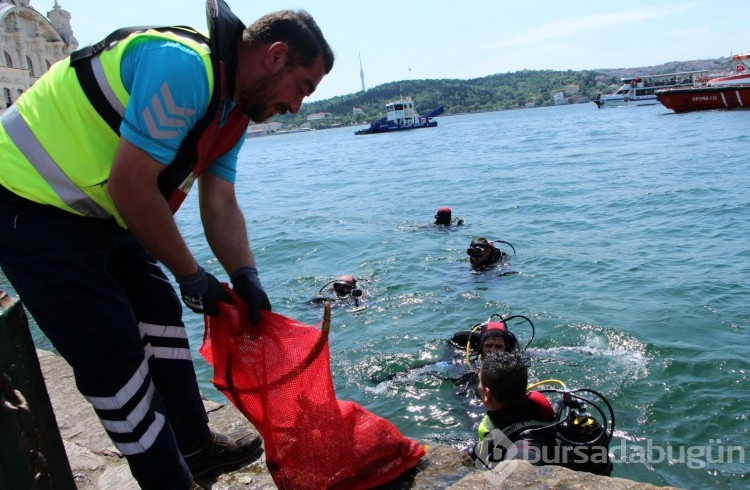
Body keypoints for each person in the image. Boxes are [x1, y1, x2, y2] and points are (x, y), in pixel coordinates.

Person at [0, 1, 334, 488]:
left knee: (159, 310)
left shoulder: (232, 108)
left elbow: (219, 201)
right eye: (302, 87)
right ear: (275, 55)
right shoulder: (183, 67)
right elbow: (132, 187)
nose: (296, 106)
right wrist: (193, 276)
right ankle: (168, 480)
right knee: (111, 352)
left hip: (100, 210)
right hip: (26, 204)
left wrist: (246, 277)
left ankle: (195, 447)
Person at [464, 352, 555, 470]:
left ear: (487, 394)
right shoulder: (530, 416)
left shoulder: (523, 450)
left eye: (479, 380)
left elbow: (524, 475)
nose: (478, 386)